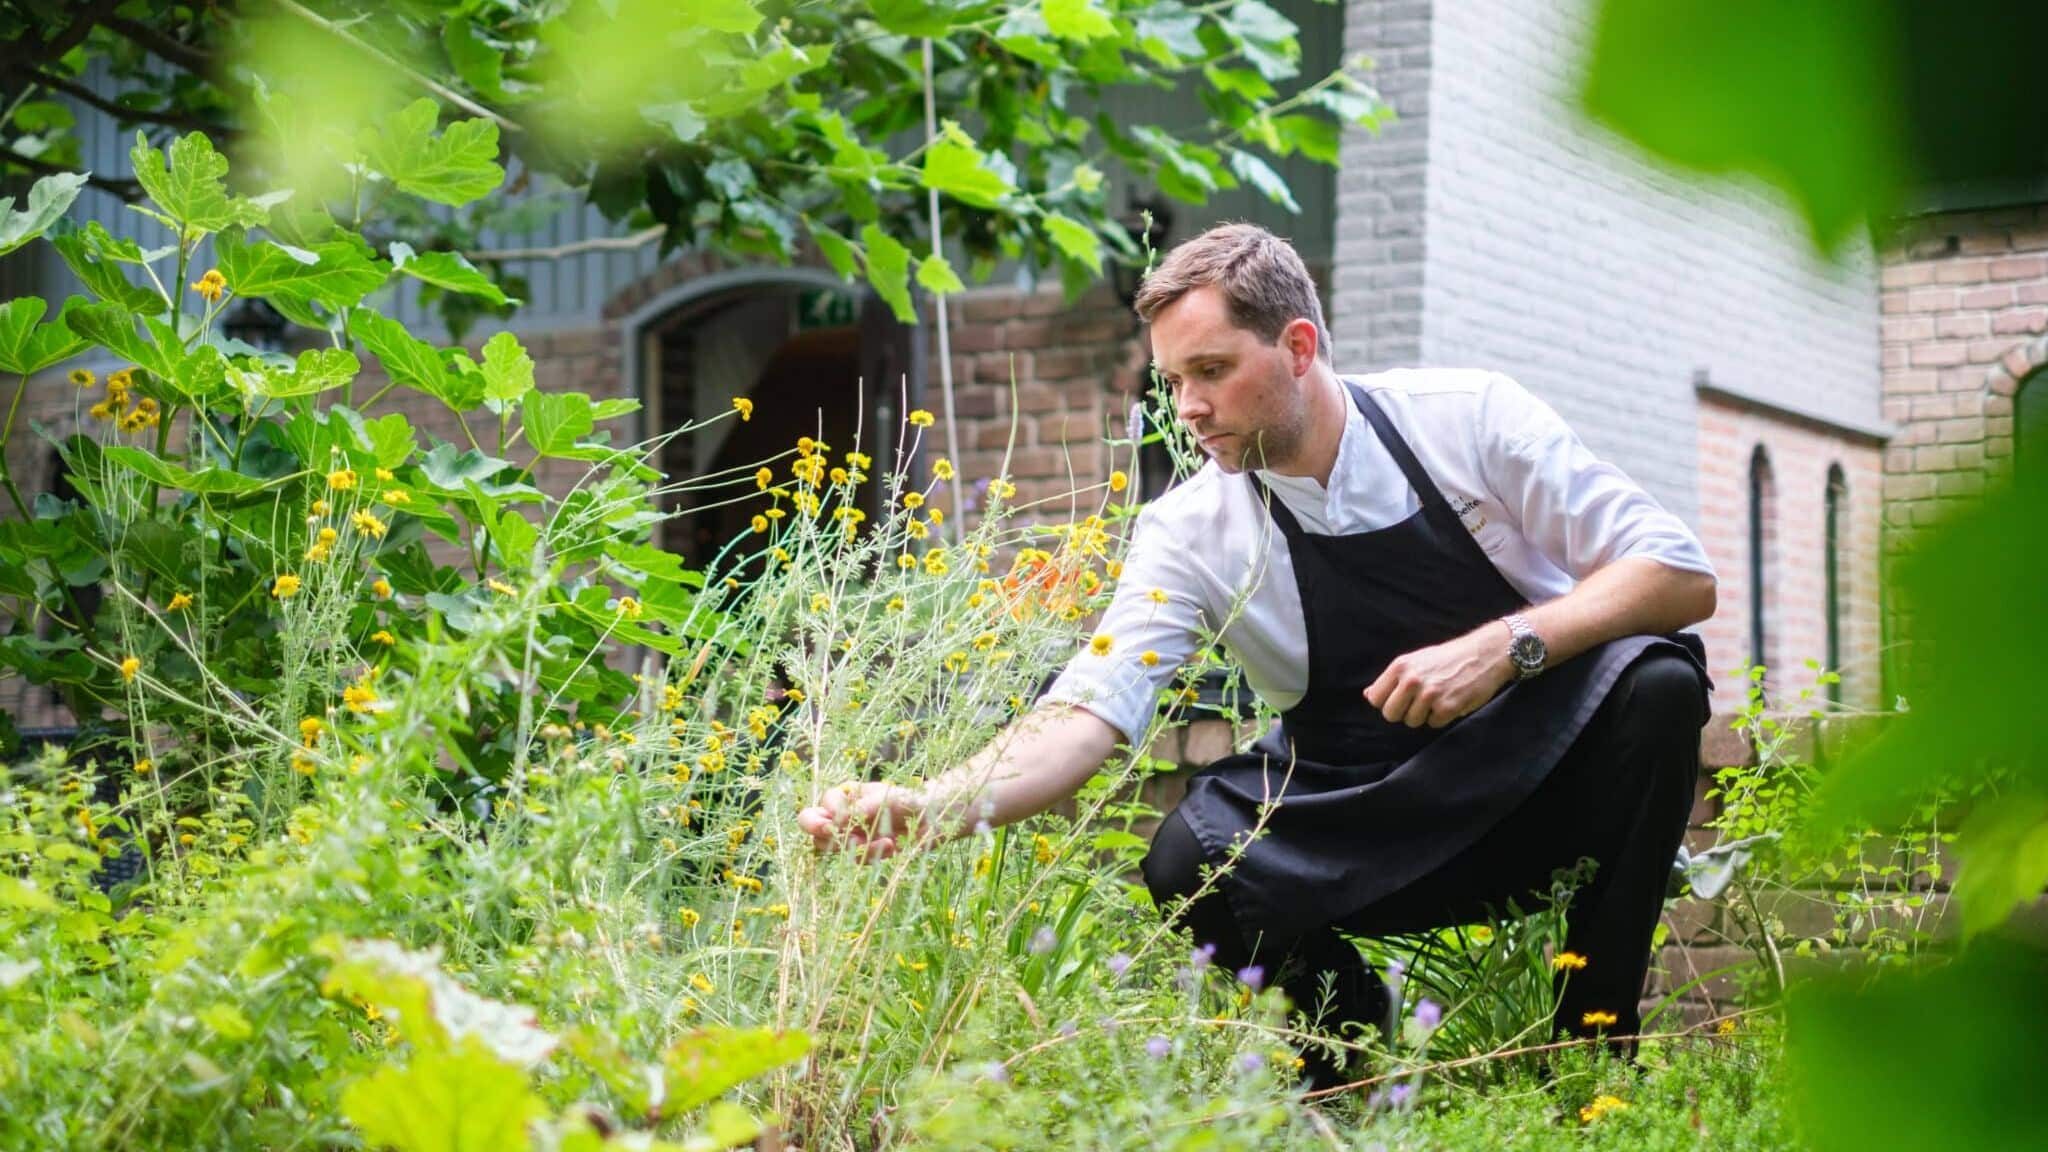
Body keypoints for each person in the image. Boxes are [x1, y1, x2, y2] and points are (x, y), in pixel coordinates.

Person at [796, 222, 1716, 1088]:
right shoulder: (1190, 530)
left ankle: (1591, 1048)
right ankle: (1350, 1051)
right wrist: (934, 804)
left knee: (1658, 682)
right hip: (1370, 817)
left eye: (1212, 370)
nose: (1188, 408)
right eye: (1172, 381)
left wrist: (1505, 647)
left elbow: (1678, 572)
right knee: (1187, 856)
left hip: (1540, 787)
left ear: (1298, 347)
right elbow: (1087, 711)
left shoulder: (1465, 419)